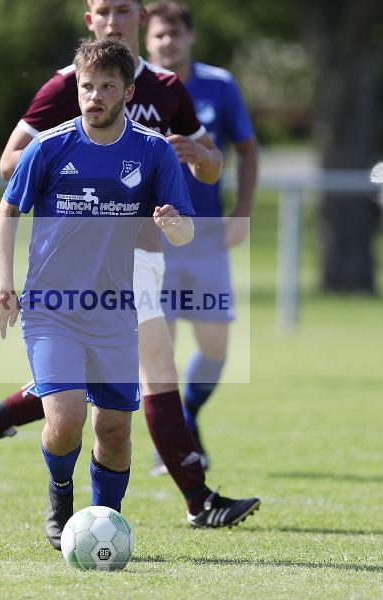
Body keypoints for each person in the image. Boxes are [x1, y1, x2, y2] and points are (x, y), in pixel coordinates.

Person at [0, 0, 260, 530]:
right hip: (73, 274)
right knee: (128, 384)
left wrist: (187, 154)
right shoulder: (64, 91)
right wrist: (76, 172)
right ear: (89, 21)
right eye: (103, 10)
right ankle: (196, 498)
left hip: (139, 263)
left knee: (117, 400)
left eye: (124, 10)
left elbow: (212, 168)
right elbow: (10, 168)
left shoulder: (166, 89)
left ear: (140, 19)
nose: (114, 20)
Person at [0, 39, 195, 548]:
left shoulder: (151, 152)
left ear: (127, 90)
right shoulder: (50, 146)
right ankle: (60, 502)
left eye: (106, 86)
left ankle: (105, 521)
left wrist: (173, 225)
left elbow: (187, 229)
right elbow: (8, 211)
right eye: (87, 86)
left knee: (116, 432)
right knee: (65, 419)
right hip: (50, 311)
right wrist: (4, 284)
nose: (95, 96)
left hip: (113, 313)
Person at [144, 0, 258, 471]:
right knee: (161, 350)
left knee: (215, 347)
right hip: (153, 240)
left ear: (189, 37)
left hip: (206, 236)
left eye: (175, 34)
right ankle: (170, 444)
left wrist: (243, 211)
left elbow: (248, 150)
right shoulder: (133, 89)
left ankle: (186, 417)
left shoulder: (219, 85)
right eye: (159, 36)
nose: (168, 42)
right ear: (147, 41)